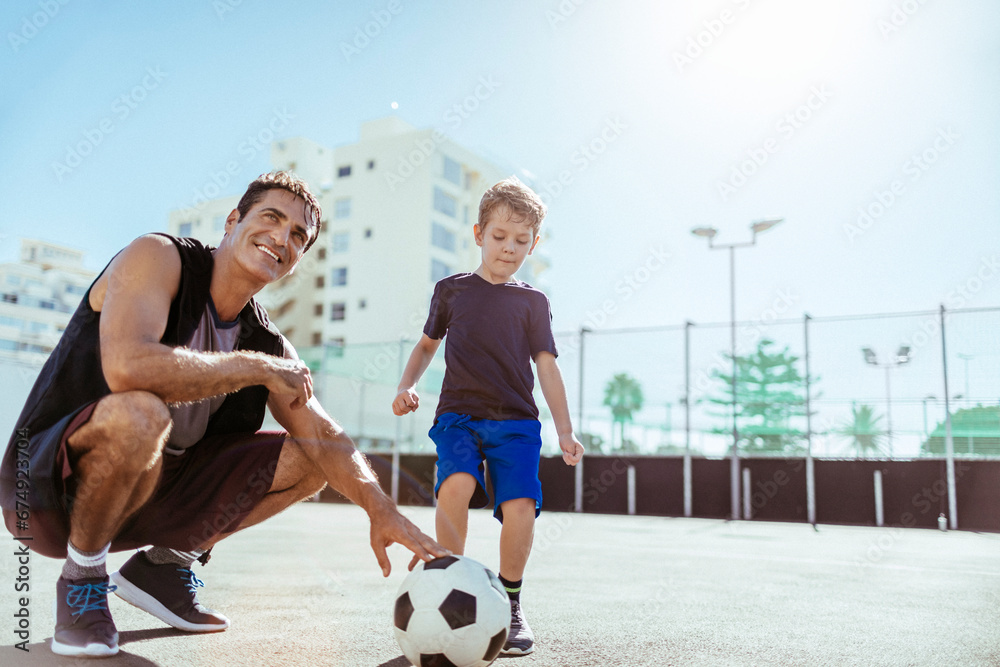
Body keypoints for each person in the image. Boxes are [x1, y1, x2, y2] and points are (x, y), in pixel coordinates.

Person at [0, 171, 448, 658]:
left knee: (310, 458)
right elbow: (128, 366)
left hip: (148, 494)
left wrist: (381, 510)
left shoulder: (267, 340)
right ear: (233, 221)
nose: (282, 237)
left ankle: (167, 567)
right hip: (46, 494)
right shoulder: (158, 257)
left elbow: (324, 433)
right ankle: (83, 579)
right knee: (142, 413)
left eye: (299, 235)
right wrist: (255, 369)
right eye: (271, 218)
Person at [391, 176, 584, 656]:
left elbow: (546, 367)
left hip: (517, 423)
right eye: (499, 237)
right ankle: (447, 578)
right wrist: (406, 385)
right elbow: (425, 347)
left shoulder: (533, 302)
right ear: (479, 234)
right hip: (458, 416)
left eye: (521, 241)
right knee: (457, 484)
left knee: (520, 506)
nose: (509, 248)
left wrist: (565, 429)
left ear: (534, 244)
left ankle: (512, 602)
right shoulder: (452, 291)